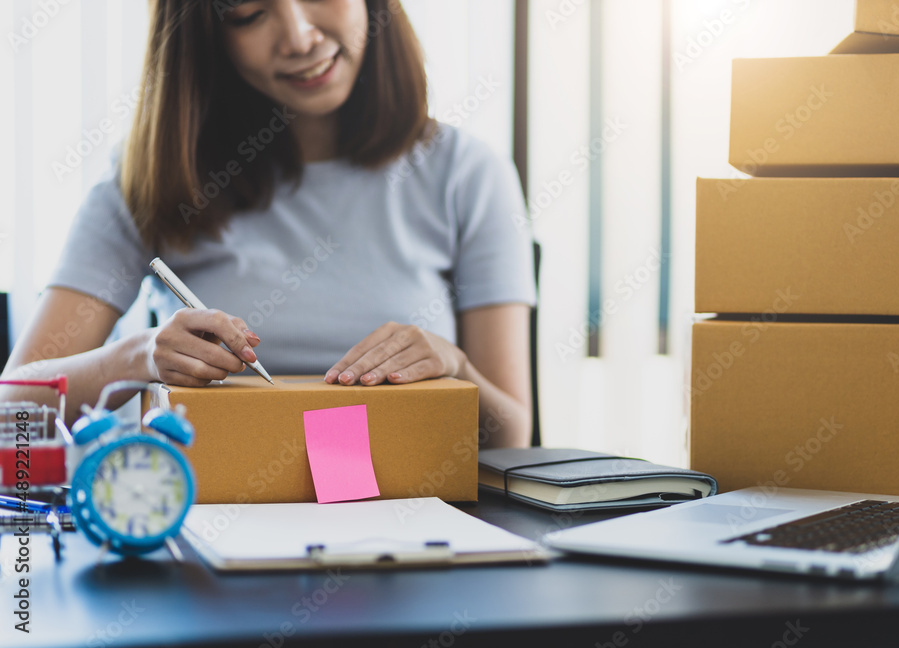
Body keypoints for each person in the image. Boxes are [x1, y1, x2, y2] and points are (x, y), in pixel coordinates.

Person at [0, 0, 535, 449]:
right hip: (199, 538)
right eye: (251, 12)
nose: (299, 37)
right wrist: (134, 358)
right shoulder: (150, 178)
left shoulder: (468, 174)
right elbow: (11, 416)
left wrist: (455, 367)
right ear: (206, 36)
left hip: (415, 536)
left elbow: (512, 437)